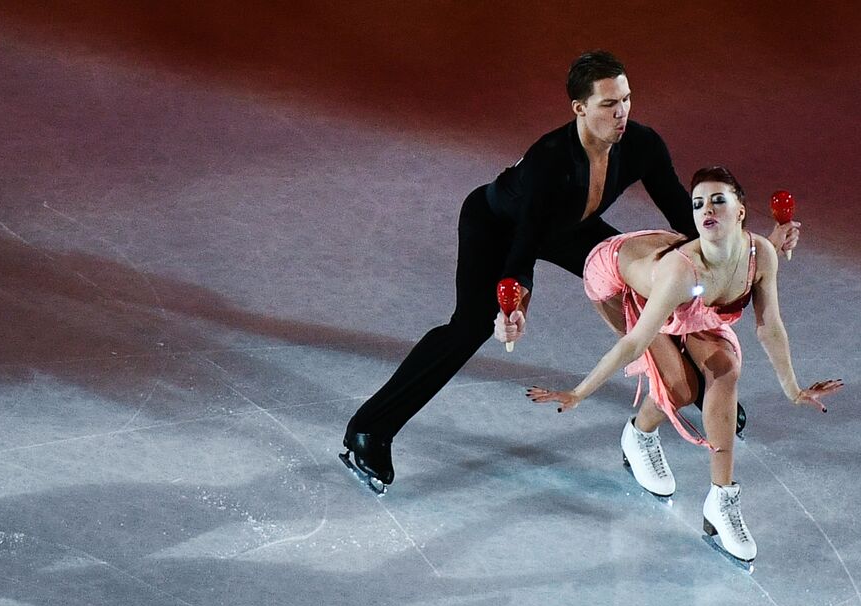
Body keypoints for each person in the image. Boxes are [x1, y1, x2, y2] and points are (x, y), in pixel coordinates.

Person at [341, 51, 801, 495]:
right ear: (579, 108)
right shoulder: (549, 160)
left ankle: (699, 386)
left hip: (568, 227)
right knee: (470, 328)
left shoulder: (641, 144)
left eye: (626, 100)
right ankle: (369, 430)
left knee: (659, 272)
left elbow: (688, 222)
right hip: (499, 226)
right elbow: (524, 244)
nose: (621, 113)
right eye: (608, 105)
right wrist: (515, 307)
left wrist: (748, 246)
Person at [526, 167, 842, 564]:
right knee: (679, 389)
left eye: (717, 200)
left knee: (725, 368)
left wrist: (793, 388)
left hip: (689, 291)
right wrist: (580, 392)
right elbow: (635, 341)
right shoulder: (680, 271)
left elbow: (769, 326)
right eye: (697, 204)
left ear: (741, 211)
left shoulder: (760, 254)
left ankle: (721, 502)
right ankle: (638, 436)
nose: (705, 209)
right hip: (618, 280)